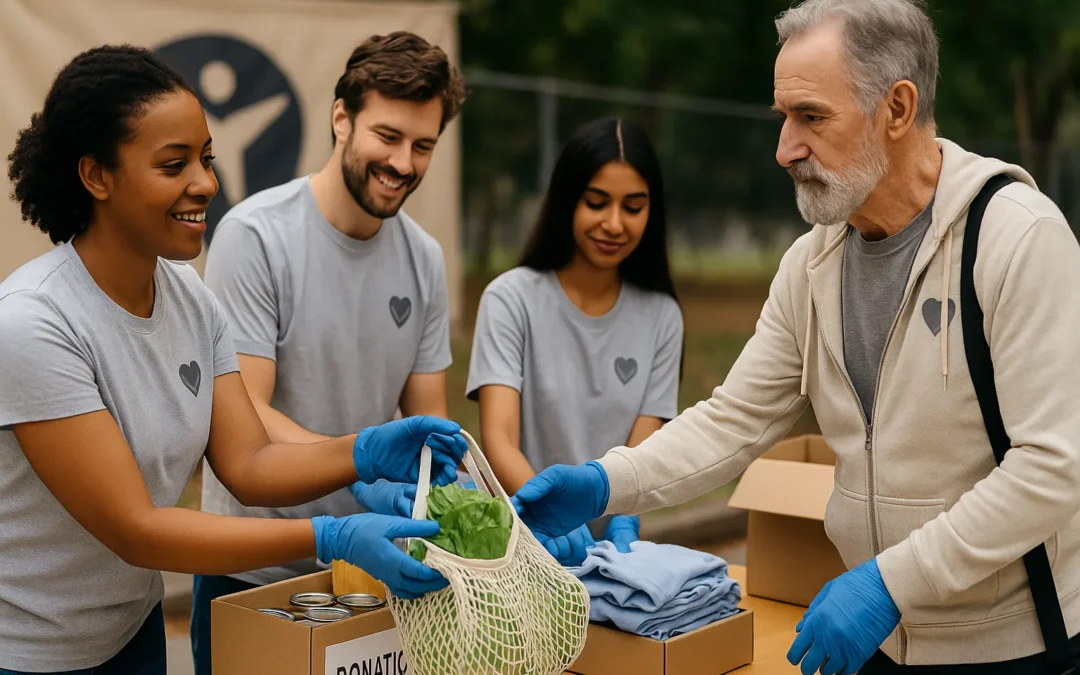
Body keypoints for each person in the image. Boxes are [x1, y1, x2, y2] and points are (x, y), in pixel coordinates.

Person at [510, 1, 1080, 673]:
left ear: (897, 109)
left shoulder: (1017, 239)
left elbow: (1053, 467)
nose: (785, 148)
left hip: (1015, 648)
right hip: (875, 641)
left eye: (811, 116)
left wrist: (891, 582)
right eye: (783, 117)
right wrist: (606, 482)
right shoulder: (811, 265)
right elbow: (734, 420)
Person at [0, 45, 467, 675]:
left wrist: (361, 452)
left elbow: (248, 463)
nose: (206, 184)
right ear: (97, 177)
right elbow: (136, 530)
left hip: (129, 635)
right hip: (26, 653)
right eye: (174, 165)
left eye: (206, 158)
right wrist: (329, 535)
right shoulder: (34, 322)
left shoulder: (189, 295)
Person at [189, 31, 467, 673]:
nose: (403, 163)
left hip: (375, 573)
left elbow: (429, 428)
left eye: (423, 146)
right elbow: (246, 415)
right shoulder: (255, 236)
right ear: (342, 118)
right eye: (388, 136)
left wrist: (479, 509)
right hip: (254, 571)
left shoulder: (424, 258)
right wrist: (362, 469)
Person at [465, 117, 683, 566]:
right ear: (567, 200)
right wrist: (552, 516)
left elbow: (642, 454)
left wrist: (623, 519)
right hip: (521, 548)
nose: (614, 224)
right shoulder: (509, 299)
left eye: (633, 207)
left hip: (613, 560)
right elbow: (499, 439)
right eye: (596, 203)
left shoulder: (663, 317)